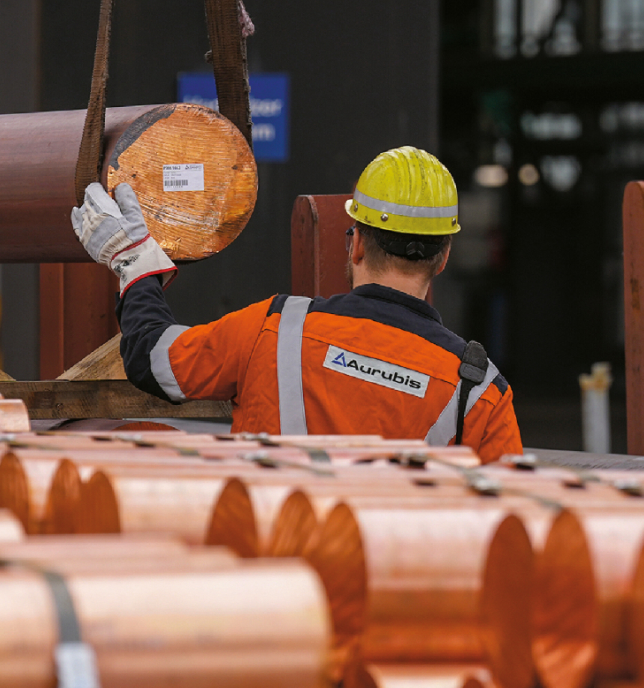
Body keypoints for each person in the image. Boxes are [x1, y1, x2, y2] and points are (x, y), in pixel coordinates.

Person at [72, 145, 523, 462]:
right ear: (443, 258)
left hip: (269, 569)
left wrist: (133, 259)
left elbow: (153, 360)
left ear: (356, 244)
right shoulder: (479, 391)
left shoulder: (273, 329)